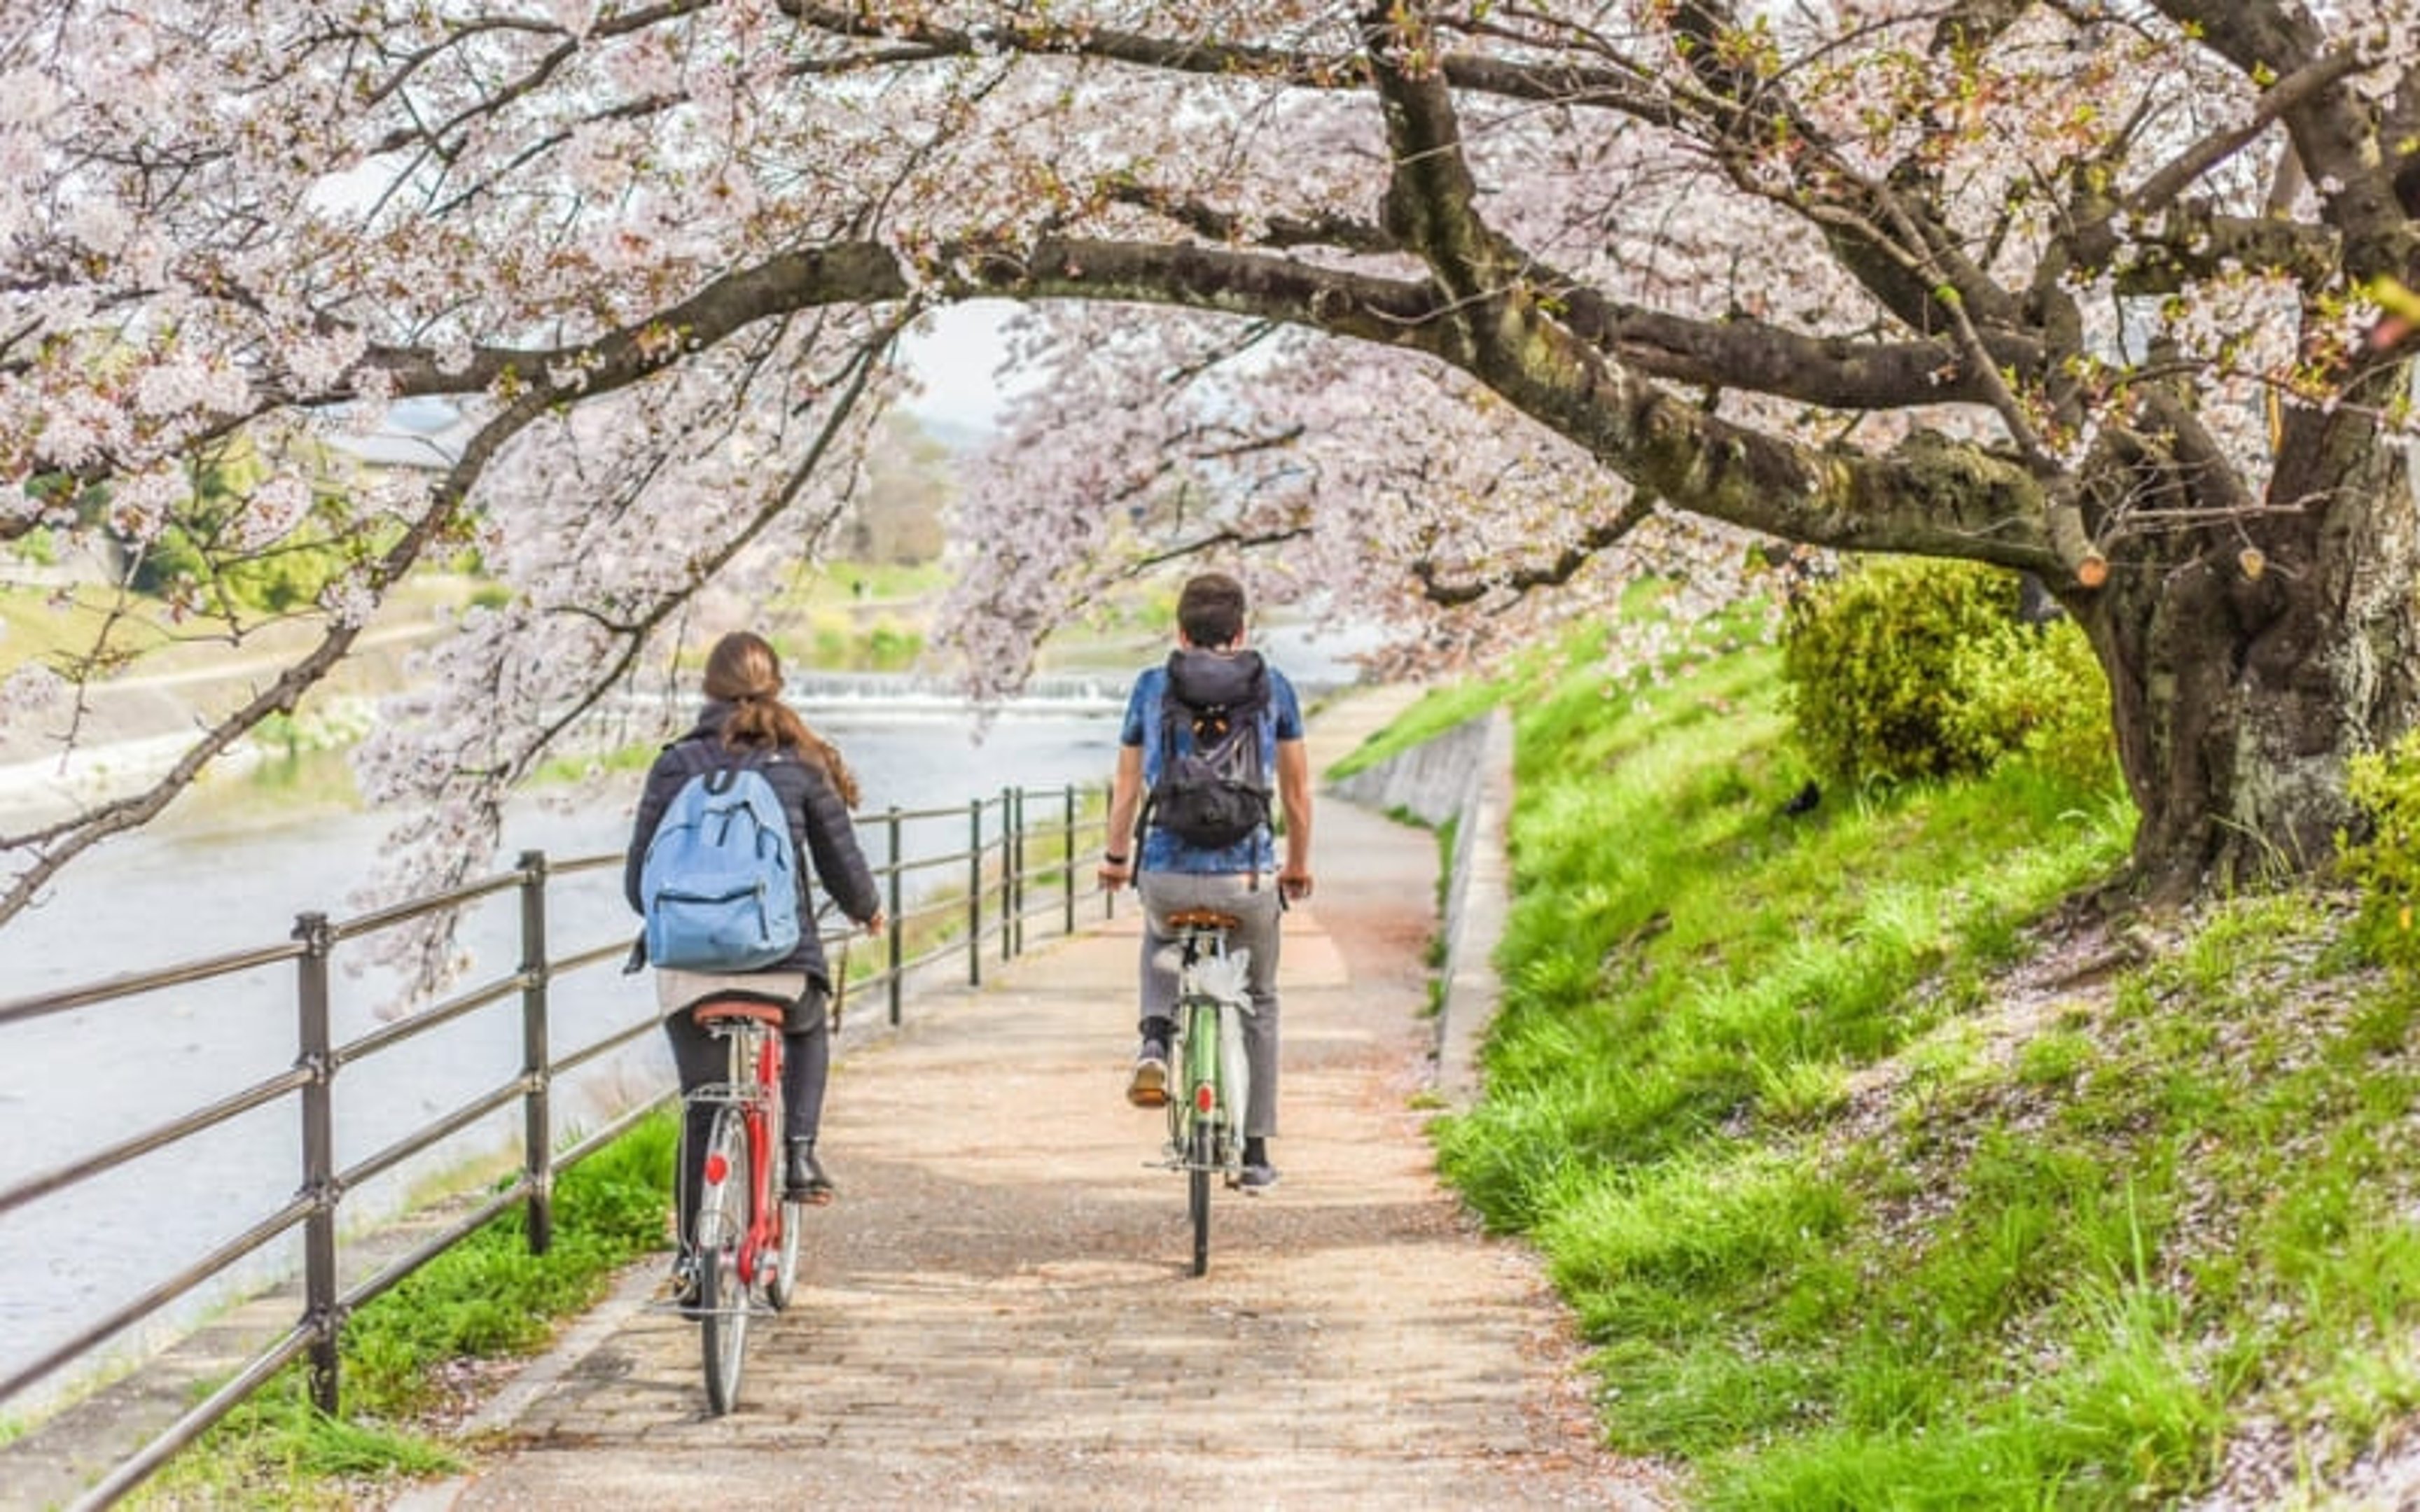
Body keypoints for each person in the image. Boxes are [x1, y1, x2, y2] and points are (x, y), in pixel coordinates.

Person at [625, 630, 886, 1296]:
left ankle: (691, 1261)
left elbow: (638, 883)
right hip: (780, 960)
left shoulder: (675, 764)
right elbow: (841, 866)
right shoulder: (799, 763)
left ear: (707, 691)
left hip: (688, 970)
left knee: (703, 1107)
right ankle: (799, 1153)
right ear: (777, 687)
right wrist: (868, 912)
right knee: (807, 1025)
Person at [1097, 572, 1312, 1191]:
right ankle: (1255, 1151)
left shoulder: (1150, 685)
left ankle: (1155, 1044)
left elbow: (1127, 789)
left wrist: (1116, 859)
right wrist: (1297, 865)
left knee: (1160, 938)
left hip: (1167, 869)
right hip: (1246, 875)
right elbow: (1297, 795)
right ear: (1243, 631)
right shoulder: (1274, 688)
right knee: (1262, 998)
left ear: (1181, 632)